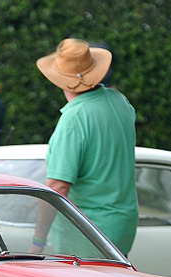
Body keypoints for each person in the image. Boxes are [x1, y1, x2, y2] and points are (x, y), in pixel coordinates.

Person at [30, 38, 137, 254]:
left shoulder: (74, 118)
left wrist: (37, 242)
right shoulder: (119, 101)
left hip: (87, 234)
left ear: (59, 78)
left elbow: (58, 187)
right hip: (121, 228)